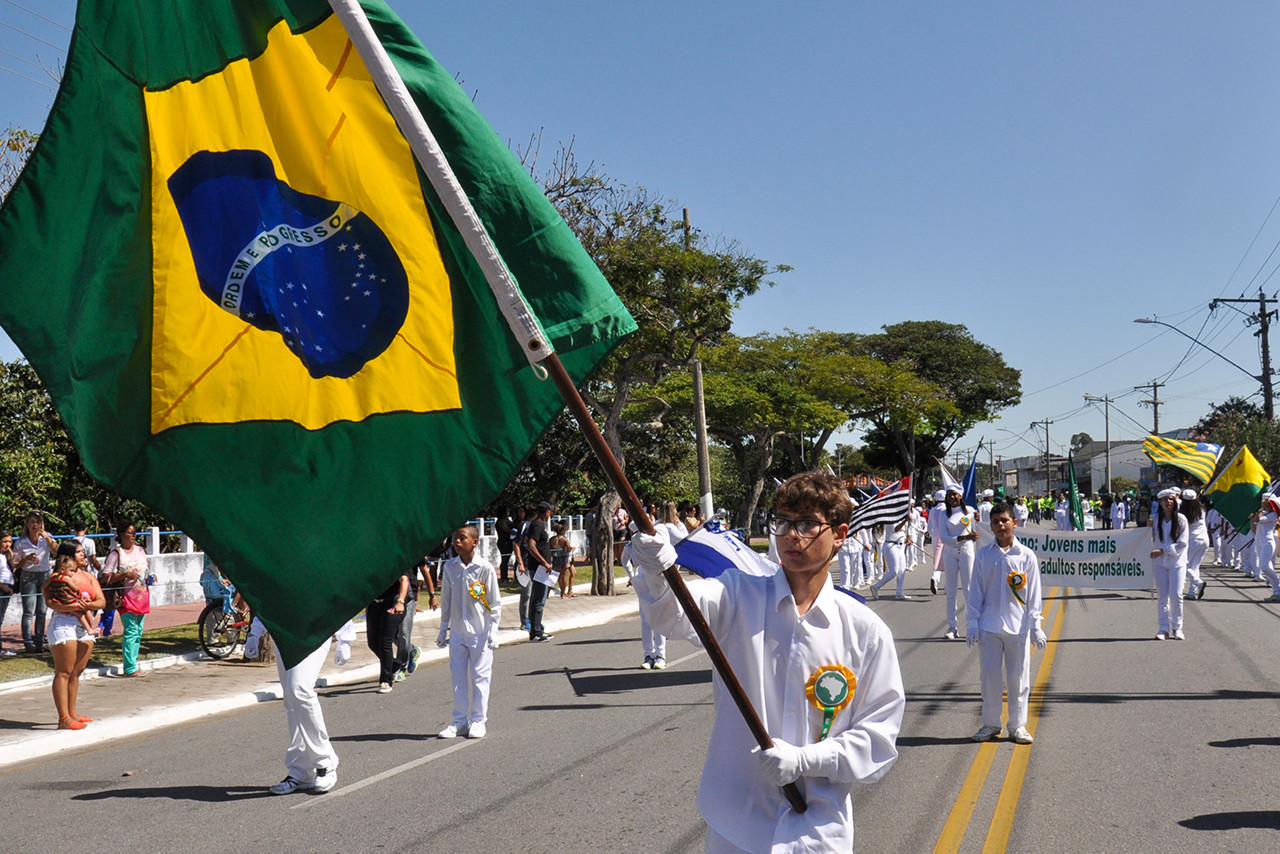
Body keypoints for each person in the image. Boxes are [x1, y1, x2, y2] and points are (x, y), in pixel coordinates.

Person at [630, 471, 905, 853]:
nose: (792, 535)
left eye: (808, 524)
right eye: (783, 522)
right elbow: (671, 615)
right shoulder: (737, 593)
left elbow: (877, 740)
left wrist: (806, 760)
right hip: (736, 822)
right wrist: (656, 572)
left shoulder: (865, 631)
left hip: (817, 828)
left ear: (840, 534)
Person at [967, 502, 1046, 744]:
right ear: (990, 526)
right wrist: (972, 621)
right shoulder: (983, 555)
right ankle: (991, 724)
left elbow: (1033, 593)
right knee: (989, 677)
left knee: (1018, 678)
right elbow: (975, 592)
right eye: (995, 522)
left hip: (1018, 627)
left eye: (1004, 521)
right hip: (989, 626)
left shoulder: (1026, 555)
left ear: (1015, 523)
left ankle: (1017, 726)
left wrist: (1036, 625)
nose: (1000, 525)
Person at [436, 525, 501, 739]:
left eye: (462, 538)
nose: (456, 542)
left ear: (474, 542)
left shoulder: (484, 568)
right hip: (457, 632)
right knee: (458, 679)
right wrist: (442, 629)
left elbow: (494, 602)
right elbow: (446, 601)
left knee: (480, 678)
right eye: (455, 538)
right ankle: (459, 721)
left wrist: (493, 630)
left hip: (480, 632)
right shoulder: (450, 567)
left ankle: (479, 721)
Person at [43, 542, 105, 730]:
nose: (83, 555)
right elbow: (51, 602)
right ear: (67, 557)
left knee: (77, 671)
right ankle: (63, 718)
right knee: (64, 671)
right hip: (64, 623)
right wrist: (77, 607)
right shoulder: (58, 577)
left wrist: (87, 606)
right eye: (78, 552)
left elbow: (101, 600)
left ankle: (72, 712)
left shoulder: (88, 576)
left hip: (84, 625)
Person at [267, 634, 339, 795]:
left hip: (314, 632)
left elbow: (337, 607)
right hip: (285, 635)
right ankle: (301, 770)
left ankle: (325, 761)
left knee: (299, 690)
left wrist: (346, 637)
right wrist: (255, 630)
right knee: (292, 702)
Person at [100, 521, 151, 676]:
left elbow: (146, 570)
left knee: (139, 631)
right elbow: (105, 577)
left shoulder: (141, 550)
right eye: (130, 533)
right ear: (121, 535)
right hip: (125, 597)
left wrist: (151, 577)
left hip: (141, 595)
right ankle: (129, 667)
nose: (133, 536)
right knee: (131, 630)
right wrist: (125, 575)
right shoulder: (116, 554)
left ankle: (133, 663)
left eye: (135, 533)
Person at [937, 485, 979, 640]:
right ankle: (952, 627)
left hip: (967, 551)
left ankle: (971, 626)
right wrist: (961, 538)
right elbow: (944, 538)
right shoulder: (943, 514)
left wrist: (978, 522)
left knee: (969, 589)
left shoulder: (969, 511)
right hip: (950, 552)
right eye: (949, 496)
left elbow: (978, 530)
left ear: (960, 496)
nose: (952, 498)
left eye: (954, 495)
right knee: (951, 591)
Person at [14, 511, 57, 654]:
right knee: (28, 612)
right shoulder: (21, 542)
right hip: (28, 576)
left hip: (44, 575)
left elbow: (58, 552)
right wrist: (26, 559)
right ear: (27, 524)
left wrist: (49, 540)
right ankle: (28, 643)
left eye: (37, 522)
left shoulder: (47, 538)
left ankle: (39, 642)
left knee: (42, 611)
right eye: (32, 522)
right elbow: (15, 564)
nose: (35, 525)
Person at [1150, 488, 1190, 639]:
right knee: (1162, 596)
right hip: (1160, 563)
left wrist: (1163, 550)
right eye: (1165, 499)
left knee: (1176, 595)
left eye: (1171, 499)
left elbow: (1182, 543)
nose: (1168, 502)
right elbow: (1147, 539)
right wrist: (1148, 529)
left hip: (1176, 563)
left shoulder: (1181, 519)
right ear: (1160, 502)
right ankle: (1163, 628)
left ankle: (1178, 627)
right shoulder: (1154, 519)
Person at [366, 569, 410, 693]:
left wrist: (400, 602)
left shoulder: (388, 561)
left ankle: (385, 680)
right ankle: (395, 664)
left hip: (393, 601)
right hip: (374, 603)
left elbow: (404, 580)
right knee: (372, 643)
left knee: (385, 640)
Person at [524, 502, 555, 642]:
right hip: (539, 568)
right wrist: (544, 562)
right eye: (550, 512)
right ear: (546, 512)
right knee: (538, 599)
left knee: (540, 598)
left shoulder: (537, 525)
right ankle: (535, 633)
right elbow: (531, 544)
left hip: (541, 567)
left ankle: (538, 629)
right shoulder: (538, 525)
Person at [1181, 489, 1209, 601]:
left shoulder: (1184, 512)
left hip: (1192, 540)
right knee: (1194, 566)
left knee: (1184, 565)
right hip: (1204, 539)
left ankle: (1198, 582)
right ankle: (1192, 592)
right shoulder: (1202, 509)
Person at [0, 532, 18, 656]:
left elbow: (14, 567)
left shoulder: (6, 555)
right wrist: (5, 588)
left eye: (10, 542)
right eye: (5, 541)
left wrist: (12, 557)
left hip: (8, 586)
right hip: (2, 587)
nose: (8, 544)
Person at [551, 520, 573, 598]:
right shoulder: (564, 539)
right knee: (564, 576)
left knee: (553, 575)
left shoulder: (552, 539)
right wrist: (572, 548)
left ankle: (547, 593)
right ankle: (562, 594)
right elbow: (569, 548)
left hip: (555, 558)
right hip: (564, 558)